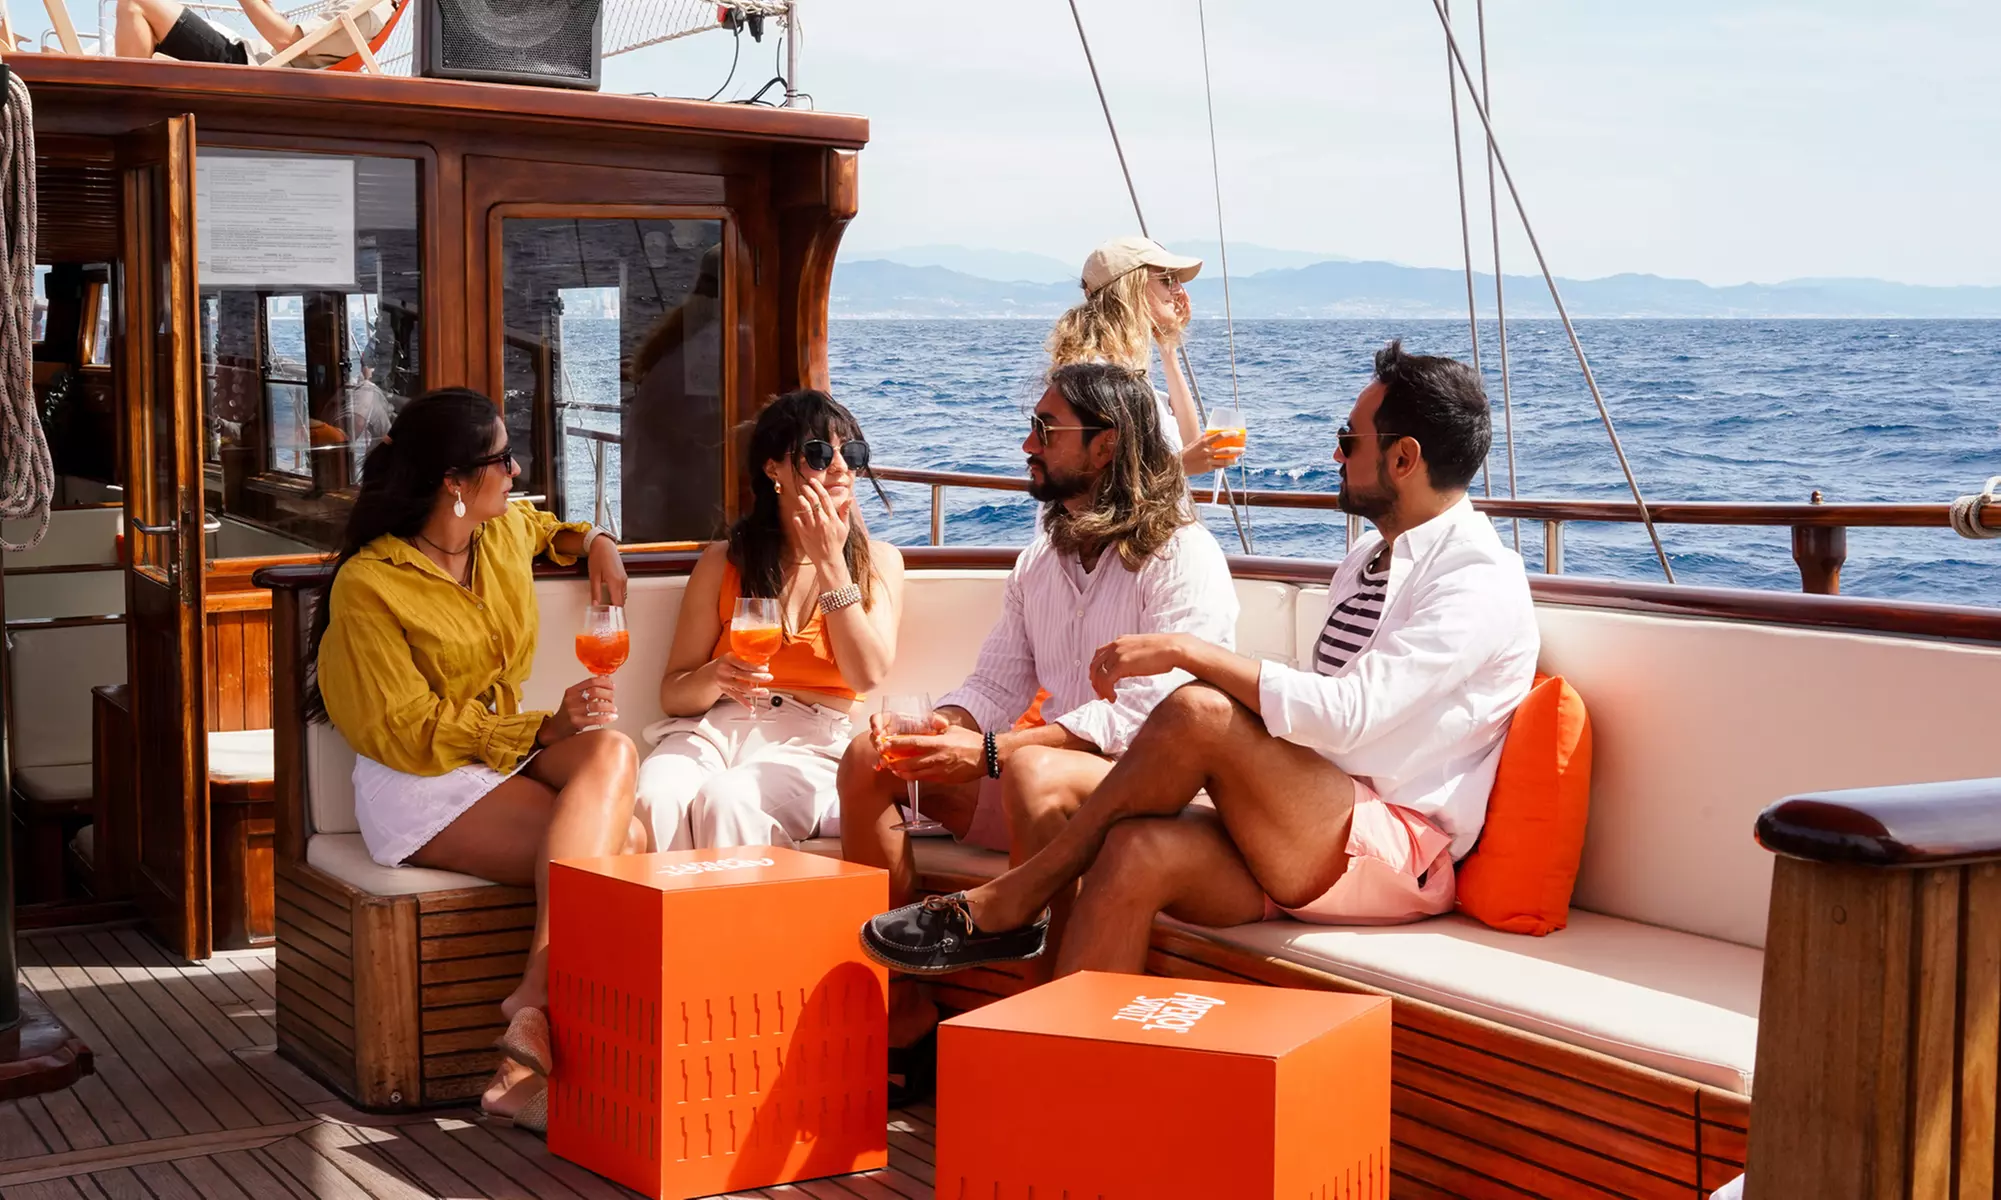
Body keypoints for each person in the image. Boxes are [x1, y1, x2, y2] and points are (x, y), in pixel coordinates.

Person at [859, 341, 1539, 978]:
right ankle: (1058, 1072)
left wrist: (1189, 653)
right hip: (1303, 819)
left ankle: (1014, 898)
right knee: (1133, 852)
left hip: (1394, 851)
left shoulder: (1475, 577)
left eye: (1346, 441)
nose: (1335, 457)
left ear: (1402, 459)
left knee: (1197, 709)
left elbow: (1347, 719)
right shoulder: (1368, 560)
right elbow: (1325, 716)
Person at [837, 361, 1238, 1099]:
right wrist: (941, 728)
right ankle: (906, 1011)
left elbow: (1151, 720)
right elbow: (996, 684)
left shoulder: (1182, 557)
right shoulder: (1038, 562)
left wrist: (989, 753)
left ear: (1105, 447)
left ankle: (1035, 1040)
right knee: (873, 757)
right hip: (1040, 776)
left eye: (1045, 430)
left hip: (1138, 795)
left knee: (1028, 771)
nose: (1026, 443)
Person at [308, 388, 638, 1130]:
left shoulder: (495, 534)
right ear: (454, 482)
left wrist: (597, 544)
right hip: (418, 780)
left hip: (500, 757)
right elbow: (402, 730)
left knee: (612, 749)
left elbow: (548, 527)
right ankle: (548, 1031)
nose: (517, 471)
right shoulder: (371, 585)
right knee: (631, 844)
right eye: (500, 460)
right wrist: (541, 733)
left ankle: (534, 1003)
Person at [635, 389, 904, 851]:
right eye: (819, 453)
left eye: (852, 454)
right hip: (715, 728)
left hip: (813, 740)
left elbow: (868, 673)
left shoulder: (877, 563)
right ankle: (677, 924)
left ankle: (740, 924)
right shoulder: (725, 561)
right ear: (773, 468)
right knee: (656, 797)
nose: (840, 467)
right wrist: (715, 677)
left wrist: (831, 564)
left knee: (730, 800)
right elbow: (673, 693)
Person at [1047, 235, 1240, 478]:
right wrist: (1180, 467)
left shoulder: (1124, 370)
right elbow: (1096, 481)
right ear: (1132, 289)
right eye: (1168, 280)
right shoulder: (1095, 376)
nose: (1179, 290)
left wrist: (1168, 348)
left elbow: (1188, 443)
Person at [115, 0, 388, 67]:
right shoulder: (375, 8)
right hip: (254, 59)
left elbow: (287, 41)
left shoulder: (368, 8)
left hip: (249, 67)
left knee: (135, 4)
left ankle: (128, 106)